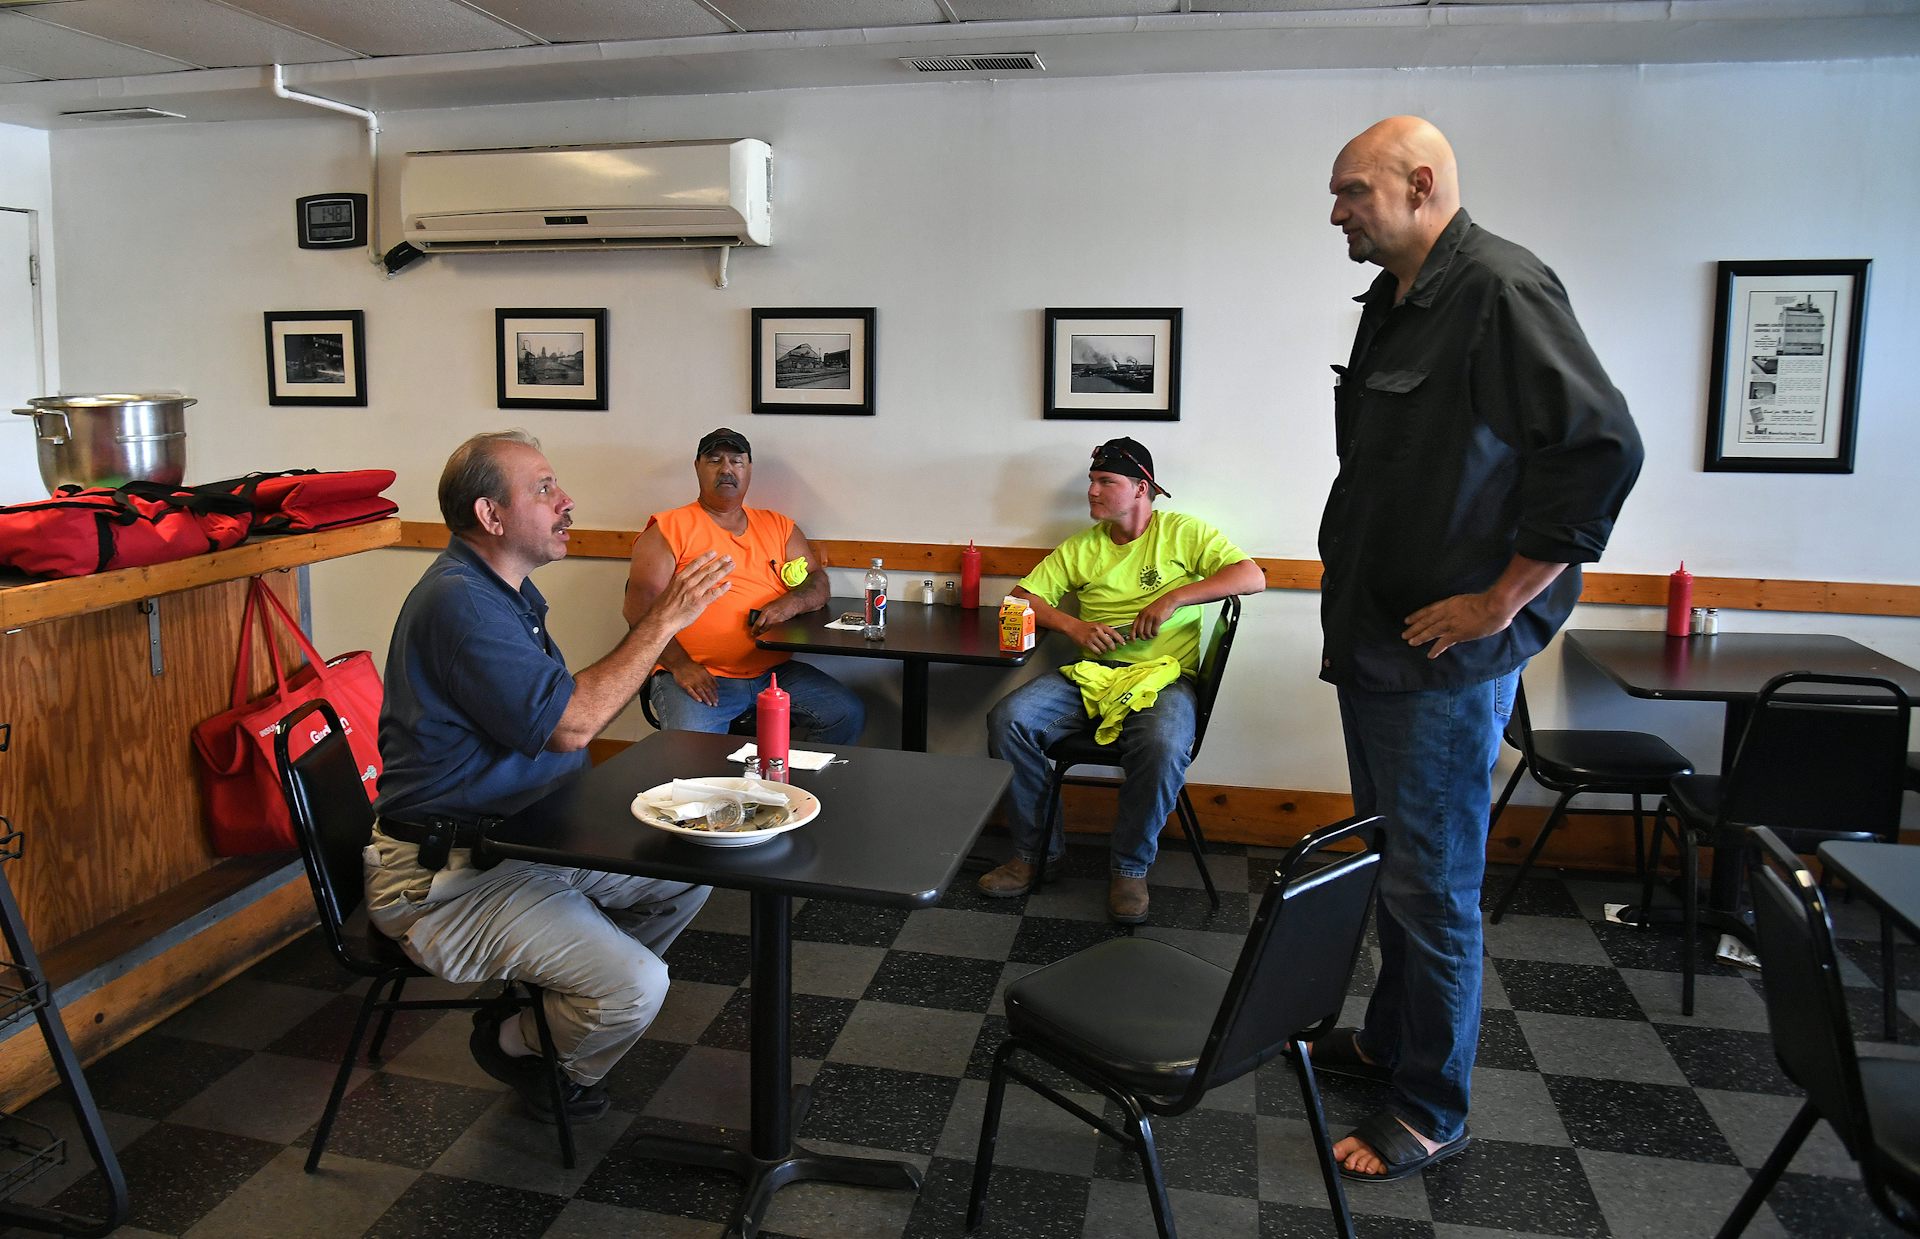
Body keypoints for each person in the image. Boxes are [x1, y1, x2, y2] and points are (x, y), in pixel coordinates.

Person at [1312, 116, 1643, 1182]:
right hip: (1375, 643)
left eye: (1353, 192)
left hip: (1439, 663)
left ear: (1420, 184)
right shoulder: (1395, 301)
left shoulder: (1500, 288)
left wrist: (1502, 600)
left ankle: (1430, 1105)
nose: (1337, 213)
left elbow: (1600, 449)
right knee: (1396, 865)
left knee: (1434, 883)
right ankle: (1389, 1041)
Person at [366, 430, 734, 1122]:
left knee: (691, 866)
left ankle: (562, 998)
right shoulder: (462, 604)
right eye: (544, 489)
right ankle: (523, 1041)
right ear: (491, 516)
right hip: (445, 878)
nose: (566, 502)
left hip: (524, 846)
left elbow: (559, 719)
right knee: (636, 985)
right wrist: (664, 623)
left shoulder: (506, 593)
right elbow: (570, 723)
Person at [981, 437, 1264, 924]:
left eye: (1105, 482)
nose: (1092, 491)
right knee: (1008, 720)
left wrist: (1173, 599)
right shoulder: (1082, 546)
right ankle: (1035, 856)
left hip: (1164, 678)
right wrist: (1073, 626)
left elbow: (1252, 576)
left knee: (1162, 742)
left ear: (1142, 488)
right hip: (1092, 676)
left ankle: (1130, 869)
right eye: (1091, 481)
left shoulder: (1181, 532)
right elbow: (1020, 598)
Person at [625, 427, 864, 744]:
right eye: (714, 460)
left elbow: (817, 583)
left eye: (736, 461)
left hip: (774, 674)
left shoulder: (779, 526)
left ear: (749, 469)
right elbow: (637, 608)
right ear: (697, 467)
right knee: (689, 758)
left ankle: (788, 788)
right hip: (697, 675)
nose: (726, 469)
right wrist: (680, 665)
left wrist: (789, 604)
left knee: (846, 713)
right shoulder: (669, 528)